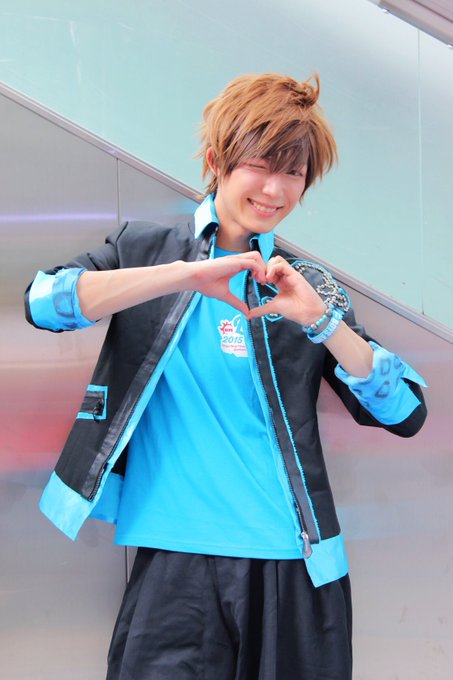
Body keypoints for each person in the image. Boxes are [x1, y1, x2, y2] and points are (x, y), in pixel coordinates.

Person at [25, 72, 427, 680]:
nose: (274, 188)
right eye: (259, 165)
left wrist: (323, 323)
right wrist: (185, 274)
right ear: (217, 161)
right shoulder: (145, 250)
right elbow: (44, 302)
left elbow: (406, 413)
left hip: (295, 568)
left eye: (293, 173)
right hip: (173, 567)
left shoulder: (305, 286)